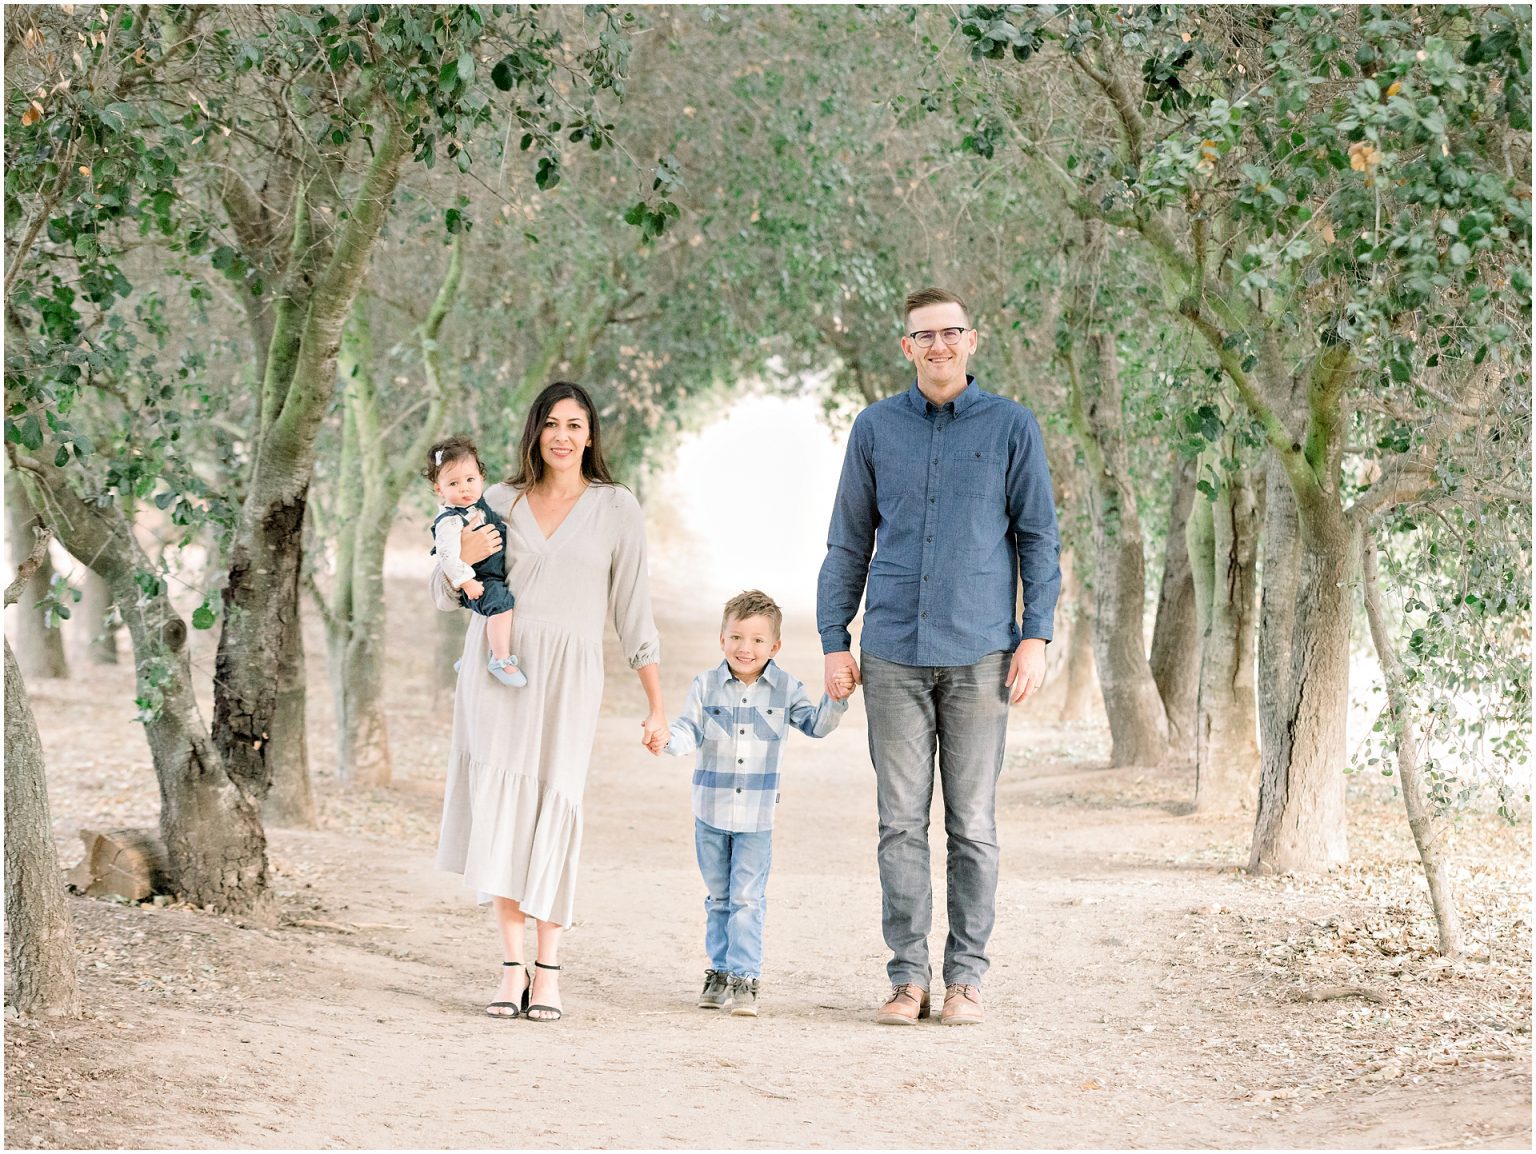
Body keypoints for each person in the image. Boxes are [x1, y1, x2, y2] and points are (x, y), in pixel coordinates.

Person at [816, 287, 1061, 1028]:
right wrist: (834, 638)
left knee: (973, 825)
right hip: (893, 652)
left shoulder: (1012, 426)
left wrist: (1035, 634)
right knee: (898, 823)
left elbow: (1038, 538)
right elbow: (847, 542)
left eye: (951, 332)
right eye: (924, 335)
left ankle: (965, 980)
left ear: (971, 340)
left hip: (981, 652)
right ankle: (907, 979)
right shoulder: (875, 428)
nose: (939, 345)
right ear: (907, 347)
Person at [430, 381, 668, 1022]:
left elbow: (634, 610)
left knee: (555, 806)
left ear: (590, 436)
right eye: (552, 423)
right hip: (497, 670)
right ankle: (512, 968)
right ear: (535, 431)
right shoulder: (498, 500)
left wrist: (656, 704)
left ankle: (550, 967)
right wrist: (464, 558)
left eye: (575, 425)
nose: (562, 436)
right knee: (504, 815)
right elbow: (445, 589)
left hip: (569, 678)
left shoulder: (616, 506)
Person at [658, 590, 851, 1018]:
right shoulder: (704, 686)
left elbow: (816, 725)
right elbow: (688, 730)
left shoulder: (786, 688)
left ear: (774, 646)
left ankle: (745, 978)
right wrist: (666, 739)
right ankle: (719, 971)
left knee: (746, 898)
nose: (746, 648)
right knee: (718, 897)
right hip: (709, 811)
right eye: (737, 637)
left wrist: (836, 698)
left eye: (758, 640)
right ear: (722, 639)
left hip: (756, 818)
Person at [424, 435, 526, 687]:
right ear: (439, 489)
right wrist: (466, 582)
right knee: (501, 606)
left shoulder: (480, 504)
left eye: (470, 480)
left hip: (492, 572)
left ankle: (471, 656)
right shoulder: (449, 521)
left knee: (495, 611)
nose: (465, 488)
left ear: (481, 478)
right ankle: (500, 659)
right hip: (478, 578)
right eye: (454, 483)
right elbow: (447, 558)